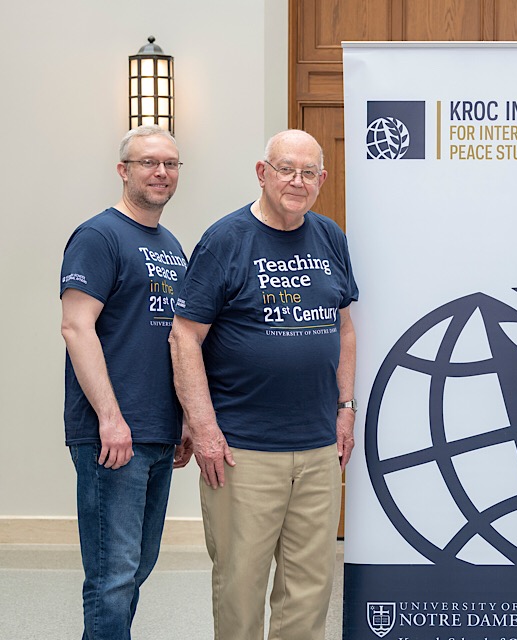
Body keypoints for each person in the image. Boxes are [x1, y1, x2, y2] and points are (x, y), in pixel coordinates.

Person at [169, 129, 358, 639]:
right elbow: (184, 337)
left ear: (321, 179)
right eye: (285, 169)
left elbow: (343, 328)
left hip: (318, 449)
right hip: (241, 451)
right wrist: (203, 427)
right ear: (262, 173)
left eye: (308, 173)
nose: (297, 181)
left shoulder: (330, 236)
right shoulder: (225, 240)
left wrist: (346, 407)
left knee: (309, 591)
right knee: (240, 590)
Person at [60, 125, 193, 639]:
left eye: (171, 164)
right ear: (124, 170)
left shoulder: (170, 245)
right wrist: (111, 419)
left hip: (157, 432)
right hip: (113, 435)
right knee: (112, 575)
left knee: (137, 567)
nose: (161, 172)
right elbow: (76, 326)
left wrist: (181, 418)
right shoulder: (99, 236)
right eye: (148, 162)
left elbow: (172, 340)